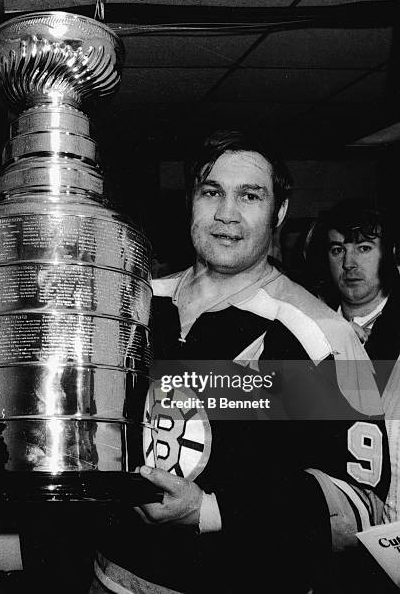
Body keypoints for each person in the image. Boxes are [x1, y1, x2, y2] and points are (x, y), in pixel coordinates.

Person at [92, 131, 391, 593]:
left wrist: (208, 510)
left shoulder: (324, 336)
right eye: (212, 192)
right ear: (190, 201)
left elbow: (364, 504)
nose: (226, 213)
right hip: (112, 576)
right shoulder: (139, 304)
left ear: (279, 213)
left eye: (250, 196)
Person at [310, 199, 400, 523]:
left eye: (363, 248)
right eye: (338, 250)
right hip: (333, 521)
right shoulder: (307, 333)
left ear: (389, 255)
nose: (349, 263)